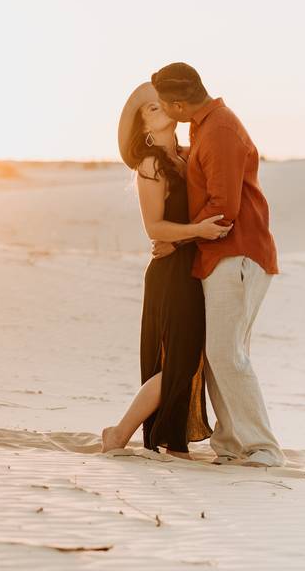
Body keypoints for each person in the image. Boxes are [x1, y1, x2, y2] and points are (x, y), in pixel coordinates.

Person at [149, 62, 286, 468]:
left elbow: (224, 208)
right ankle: (230, 445)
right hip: (221, 256)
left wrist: (179, 238)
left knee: (227, 354)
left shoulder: (220, 129)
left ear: (177, 103)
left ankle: (263, 448)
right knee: (219, 354)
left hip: (237, 252)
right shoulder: (204, 127)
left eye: (161, 104)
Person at [100, 81, 231, 459]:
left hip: (191, 267)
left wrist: (187, 238)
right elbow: (153, 229)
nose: (161, 111)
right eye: (151, 109)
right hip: (169, 273)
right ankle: (121, 433)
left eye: (162, 105)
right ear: (142, 128)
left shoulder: (187, 157)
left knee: (187, 361)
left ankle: (170, 442)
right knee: (179, 362)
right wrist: (196, 232)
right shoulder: (150, 165)